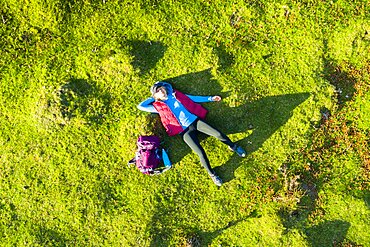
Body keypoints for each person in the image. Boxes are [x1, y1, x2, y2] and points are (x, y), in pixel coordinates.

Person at [137, 81, 246, 186]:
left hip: (196, 122)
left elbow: (192, 98)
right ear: (156, 94)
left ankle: (233, 146)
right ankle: (212, 175)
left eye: (161, 88)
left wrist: (210, 98)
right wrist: (154, 98)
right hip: (184, 132)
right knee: (200, 152)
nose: (161, 91)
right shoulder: (158, 107)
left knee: (218, 134)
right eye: (158, 91)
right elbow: (141, 106)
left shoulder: (175, 95)